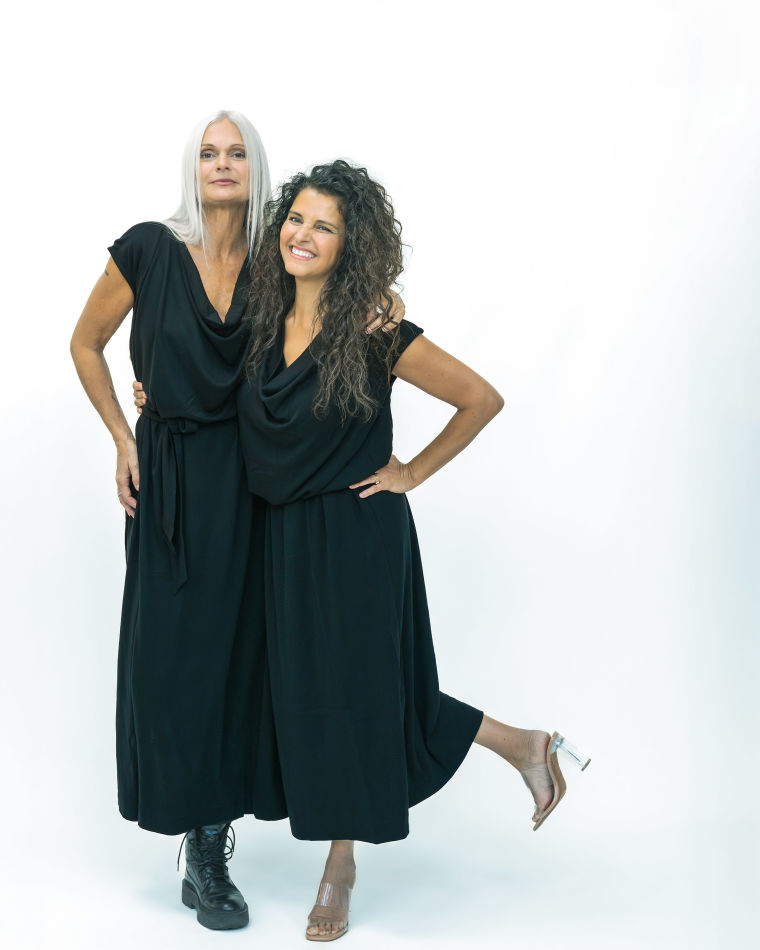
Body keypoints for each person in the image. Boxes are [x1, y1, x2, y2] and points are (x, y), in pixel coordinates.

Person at [234, 160, 590, 941]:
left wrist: (412, 472)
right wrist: (150, 396)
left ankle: (340, 865)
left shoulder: (375, 327)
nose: (303, 235)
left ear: (349, 244)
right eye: (296, 218)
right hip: (281, 537)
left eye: (324, 226)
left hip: (357, 535)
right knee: (313, 691)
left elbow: (480, 398)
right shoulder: (258, 318)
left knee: (355, 695)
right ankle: (525, 745)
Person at [70, 110, 287, 932]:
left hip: (253, 479)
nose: (221, 164)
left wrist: (389, 306)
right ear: (192, 169)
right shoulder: (148, 249)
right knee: (174, 660)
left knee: (237, 658)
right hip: (169, 475)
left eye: (236, 154)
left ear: (255, 168)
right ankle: (189, 824)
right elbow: (85, 343)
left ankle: (209, 848)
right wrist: (122, 437)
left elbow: (346, 308)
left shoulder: (278, 262)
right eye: (207, 153)